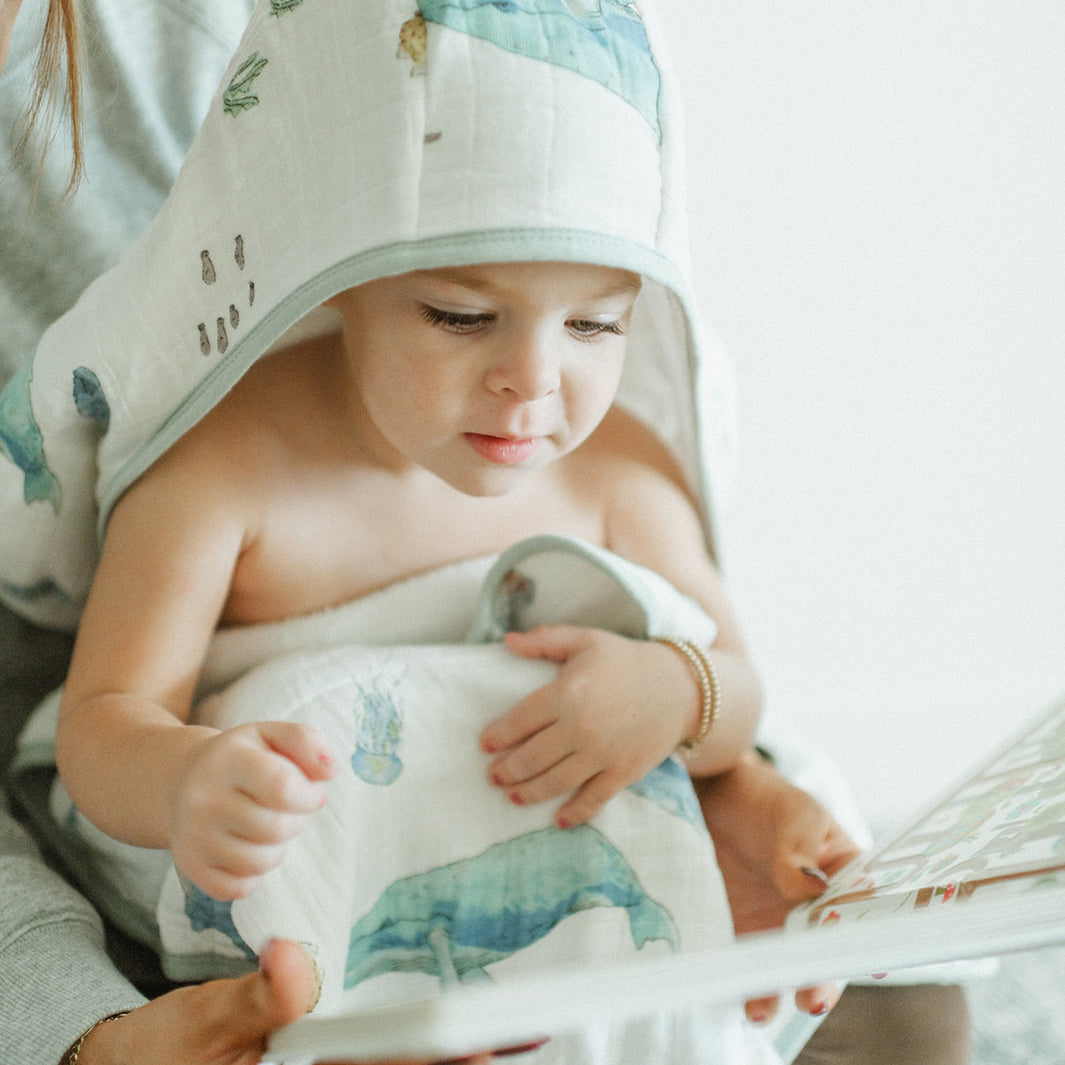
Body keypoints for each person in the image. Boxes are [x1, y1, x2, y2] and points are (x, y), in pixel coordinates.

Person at [0, 1, 969, 1063]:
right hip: (343, 918)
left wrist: (674, 695)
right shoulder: (222, 473)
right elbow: (100, 724)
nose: (534, 383)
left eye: (597, 322)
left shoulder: (618, 473)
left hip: (568, 884)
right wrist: (188, 778)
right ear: (331, 277)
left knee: (908, 1003)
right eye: (461, 316)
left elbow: (739, 691)